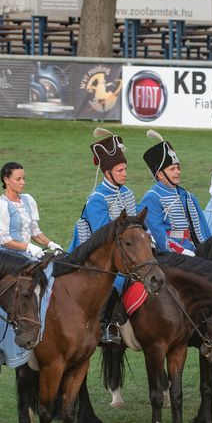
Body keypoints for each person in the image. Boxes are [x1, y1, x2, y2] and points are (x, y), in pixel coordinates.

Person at [71, 128, 138, 344]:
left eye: (125, 169)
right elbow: (103, 236)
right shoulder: (97, 199)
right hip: (96, 253)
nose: (124, 174)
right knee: (116, 282)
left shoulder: (128, 193)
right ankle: (105, 324)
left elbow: (135, 224)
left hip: (123, 247)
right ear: (107, 172)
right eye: (120, 170)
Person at [139, 130, 210, 256]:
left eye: (178, 168)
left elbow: (203, 228)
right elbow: (157, 233)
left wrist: (210, 248)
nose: (178, 172)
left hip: (194, 248)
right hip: (170, 254)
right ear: (160, 175)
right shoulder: (152, 198)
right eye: (172, 169)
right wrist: (182, 251)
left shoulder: (188, 196)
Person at [0, 162, 63, 260]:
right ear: (6, 180)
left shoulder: (27, 199)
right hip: (9, 258)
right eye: (18, 179)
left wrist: (50, 243)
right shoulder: (0, 204)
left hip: (27, 255)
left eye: (23, 178)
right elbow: (4, 240)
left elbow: (34, 230)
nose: (23, 182)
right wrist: (28, 247)